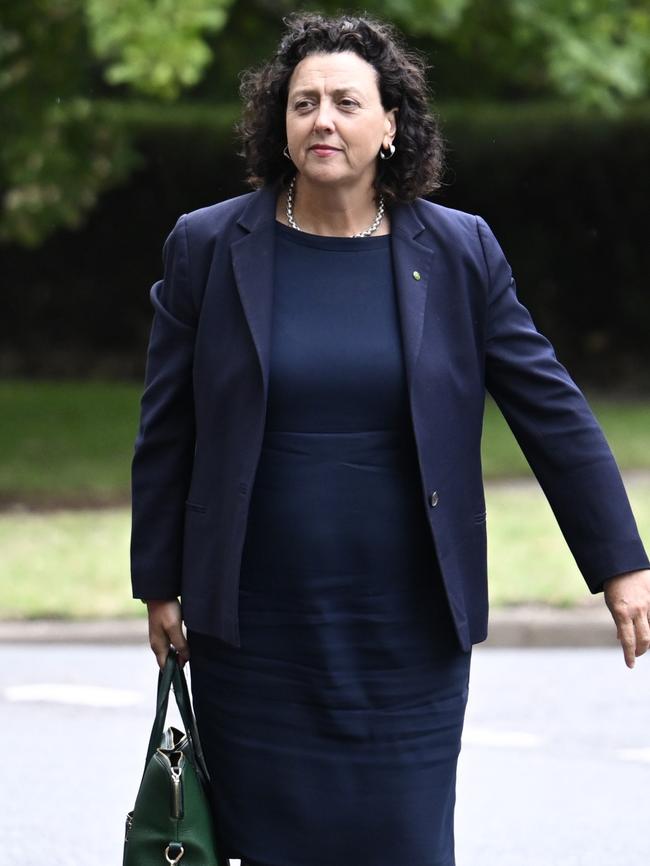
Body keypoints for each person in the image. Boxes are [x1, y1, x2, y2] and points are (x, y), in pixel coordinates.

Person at [130, 11, 650, 866]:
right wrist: (160, 583)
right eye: (303, 104)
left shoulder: (458, 250)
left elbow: (550, 409)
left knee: (404, 845)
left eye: (344, 101)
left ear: (391, 125)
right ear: (279, 122)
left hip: (405, 624)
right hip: (255, 631)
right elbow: (166, 429)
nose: (322, 120)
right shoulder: (211, 245)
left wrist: (620, 563)